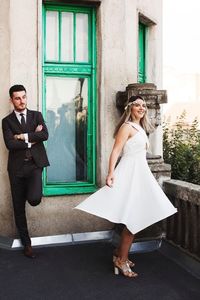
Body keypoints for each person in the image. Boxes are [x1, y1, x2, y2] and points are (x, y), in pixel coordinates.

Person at [75, 95, 177, 278]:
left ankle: (120, 255)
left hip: (140, 176)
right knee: (133, 220)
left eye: (144, 105)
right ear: (130, 108)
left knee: (137, 218)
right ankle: (121, 260)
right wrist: (110, 173)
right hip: (129, 176)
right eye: (137, 104)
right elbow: (115, 151)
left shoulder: (141, 128)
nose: (141, 108)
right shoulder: (126, 127)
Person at [2, 85, 50, 258]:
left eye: (24, 97)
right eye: (17, 98)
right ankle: (27, 243)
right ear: (11, 100)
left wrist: (23, 136)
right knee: (18, 207)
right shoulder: (6, 121)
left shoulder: (36, 115)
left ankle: (34, 197)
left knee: (34, 198)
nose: (22, 101)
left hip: (35, 165)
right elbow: (10, 144)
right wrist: (32, 138)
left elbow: (45, 135)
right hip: (16, 169)